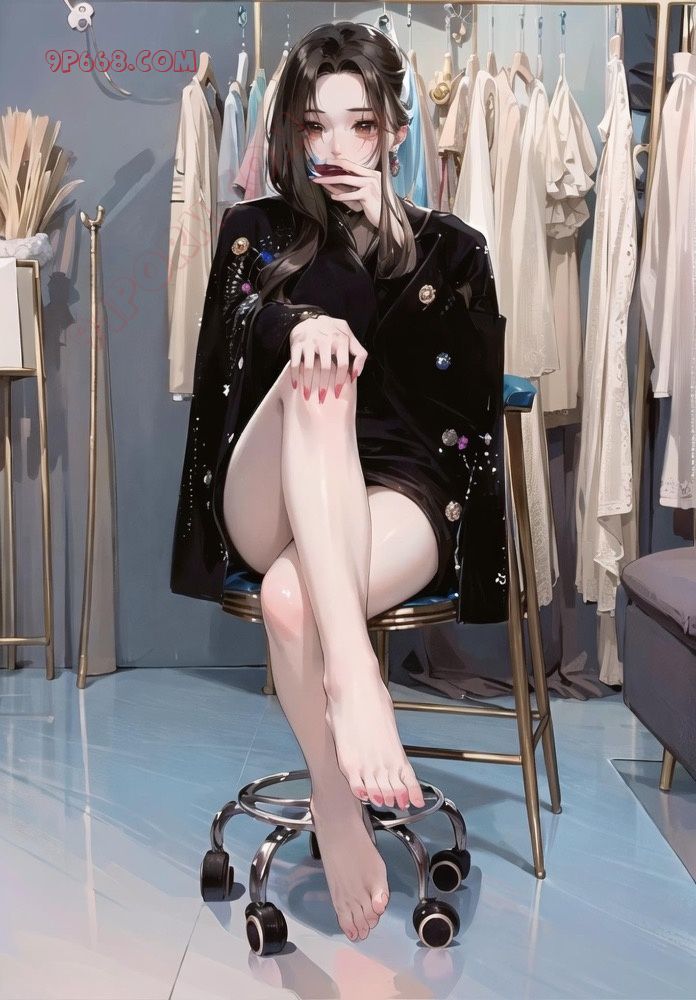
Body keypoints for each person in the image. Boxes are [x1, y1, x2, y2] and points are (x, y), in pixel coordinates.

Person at [170, 21, 508, 942]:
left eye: (361, 125)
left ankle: (335, 797)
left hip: (398, 490)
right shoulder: (253, 232)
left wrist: (391, 231)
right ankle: (358, 680)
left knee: (292, 601)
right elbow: (234, 346)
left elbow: (460, 406)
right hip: (268, 488)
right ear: (292, 132)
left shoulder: (452, 248)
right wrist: (305, 325)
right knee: (318, 373)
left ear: (395, 130)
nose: (338, 148)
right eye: (316, 126)